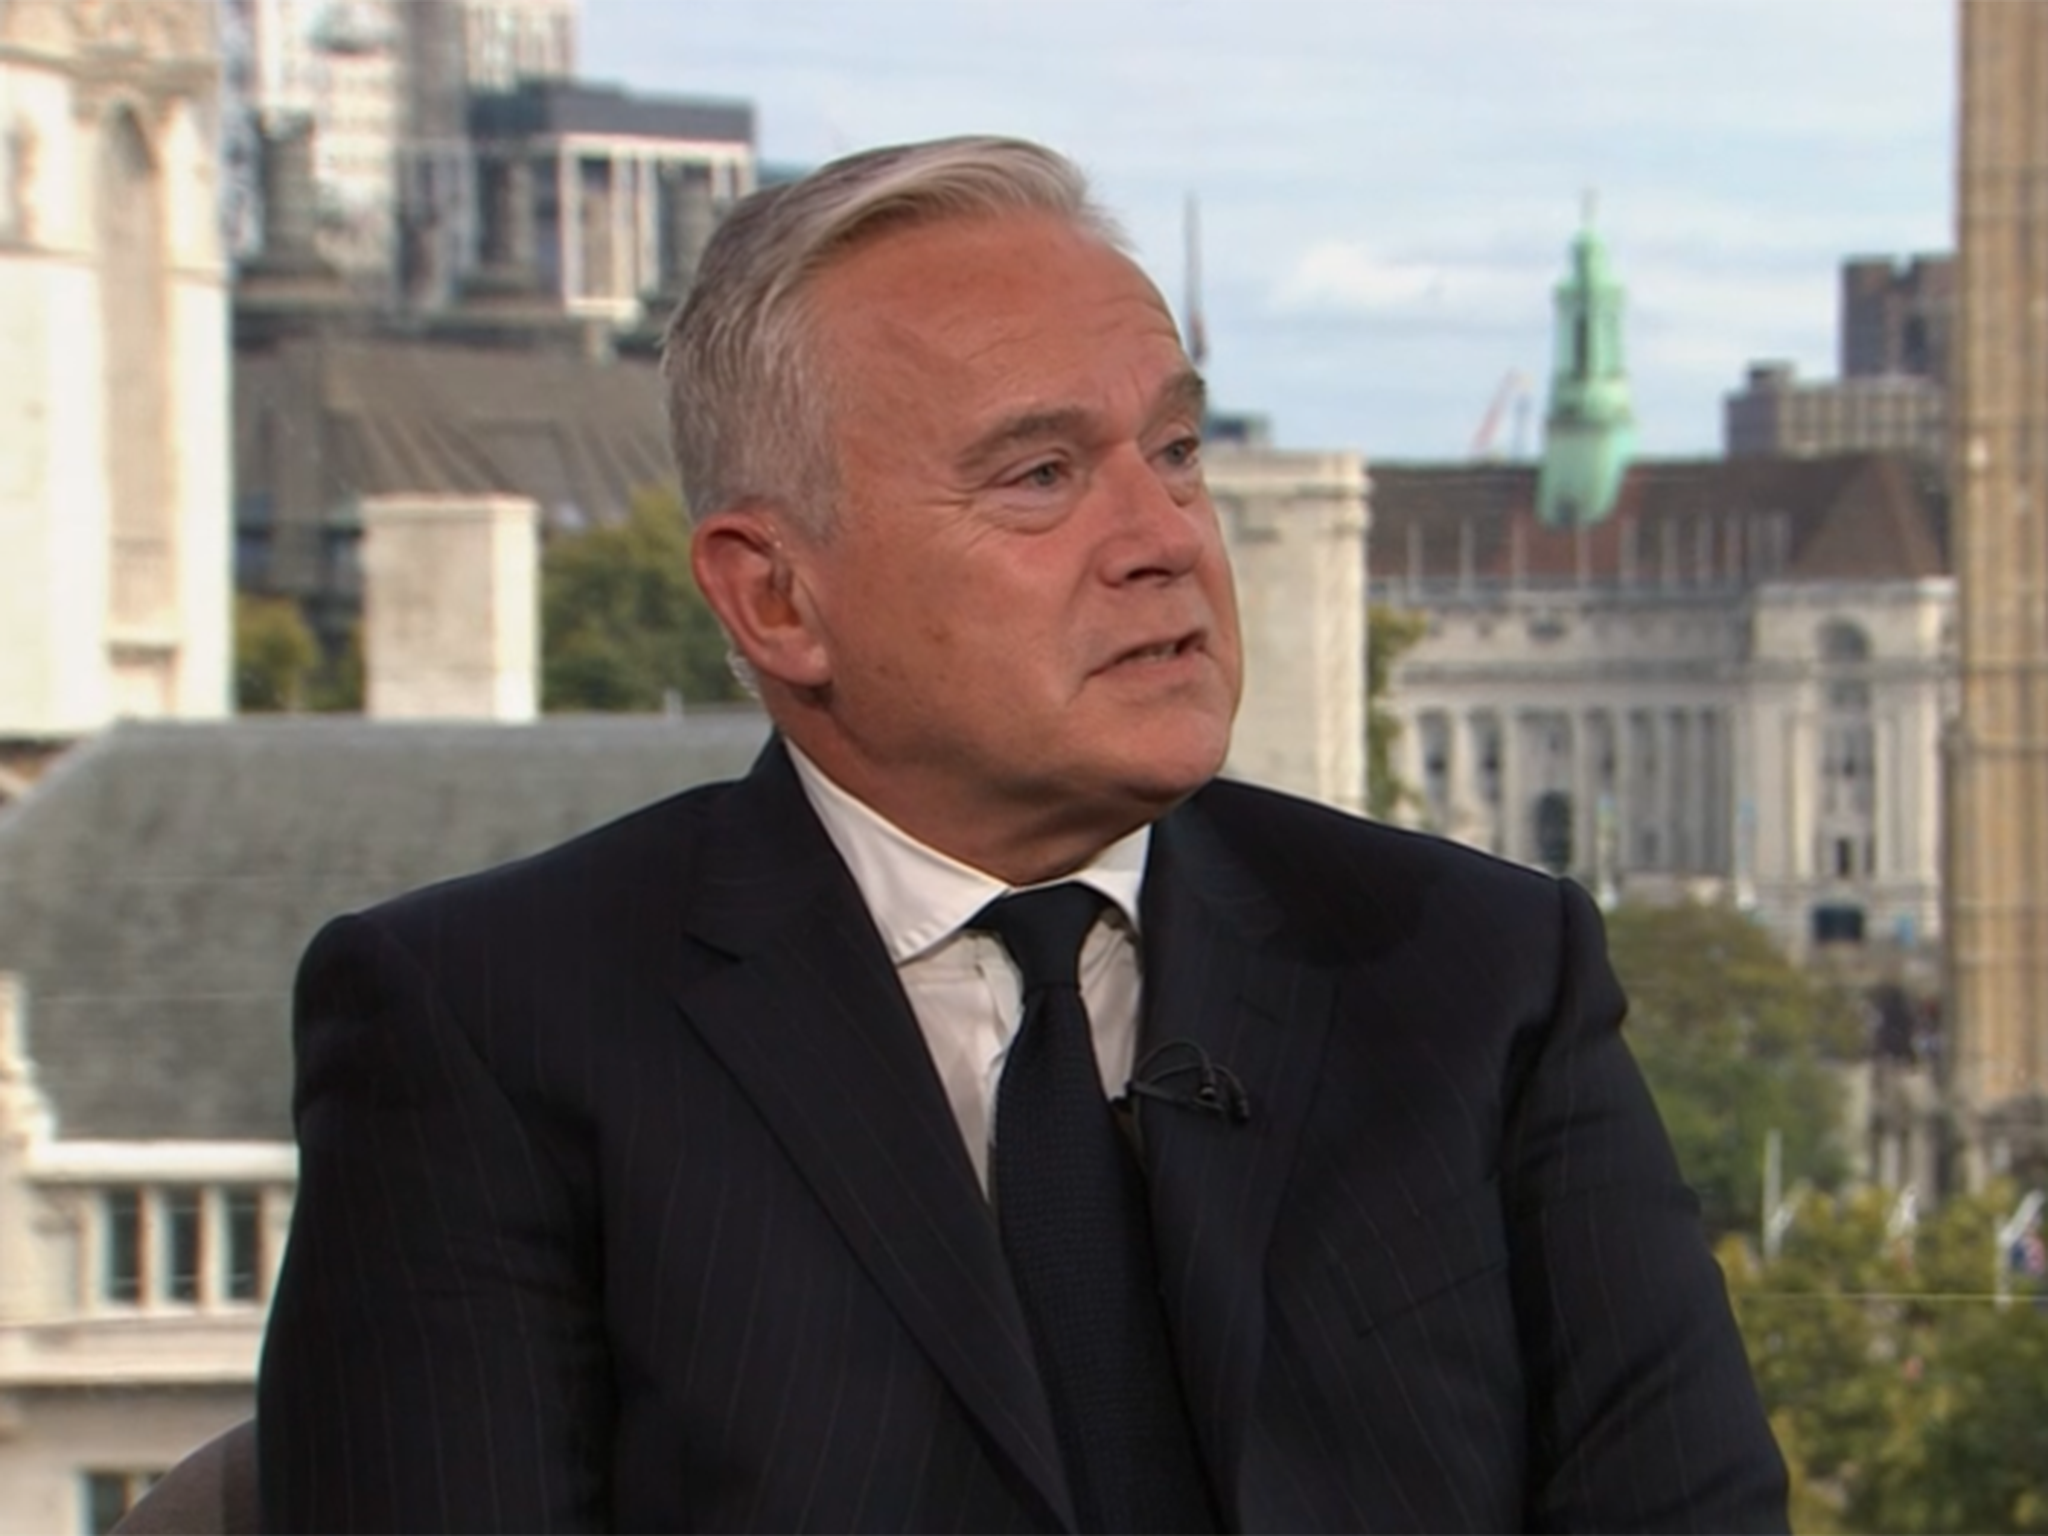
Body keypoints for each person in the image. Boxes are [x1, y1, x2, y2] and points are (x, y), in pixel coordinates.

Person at [257, 136, 1789, 1534]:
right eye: (1042, 476)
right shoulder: (486, 1029)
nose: (1165, 540)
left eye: (1176, 453)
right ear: (775, 594)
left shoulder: (1479, 971)